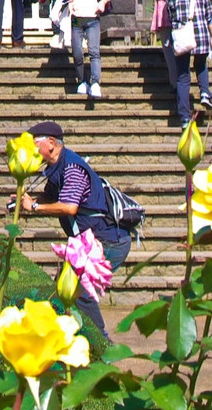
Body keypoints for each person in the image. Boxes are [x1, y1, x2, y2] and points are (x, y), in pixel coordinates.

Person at [18, 120, 131, 336]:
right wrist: (27, 201)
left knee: (82, 292)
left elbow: (70, 207)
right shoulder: (56, 167)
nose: (31, 150)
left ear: (51, 143)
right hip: (87, 242)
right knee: (63, 290)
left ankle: (101, 346)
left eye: (34, 144)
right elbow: (49, 198)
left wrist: (34, 207)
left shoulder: (72, 167)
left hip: (108, 240)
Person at [60, 0, 114, 98]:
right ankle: (82, 81)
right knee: (77, 53)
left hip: (92, 18)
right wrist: (68, 4)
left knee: (94, 52)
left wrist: (102, 3)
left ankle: (95, 82)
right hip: (76, 19)